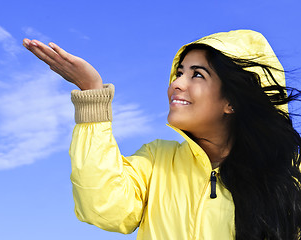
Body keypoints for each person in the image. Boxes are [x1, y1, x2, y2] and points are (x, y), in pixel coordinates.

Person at [23, 30, 301, 240]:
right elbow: (103, 208)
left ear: (232, 101)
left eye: (197, 75)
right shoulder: (157, 159)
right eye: (179, 73)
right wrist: (91, 93)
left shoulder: (290, 175)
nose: (176, 84)